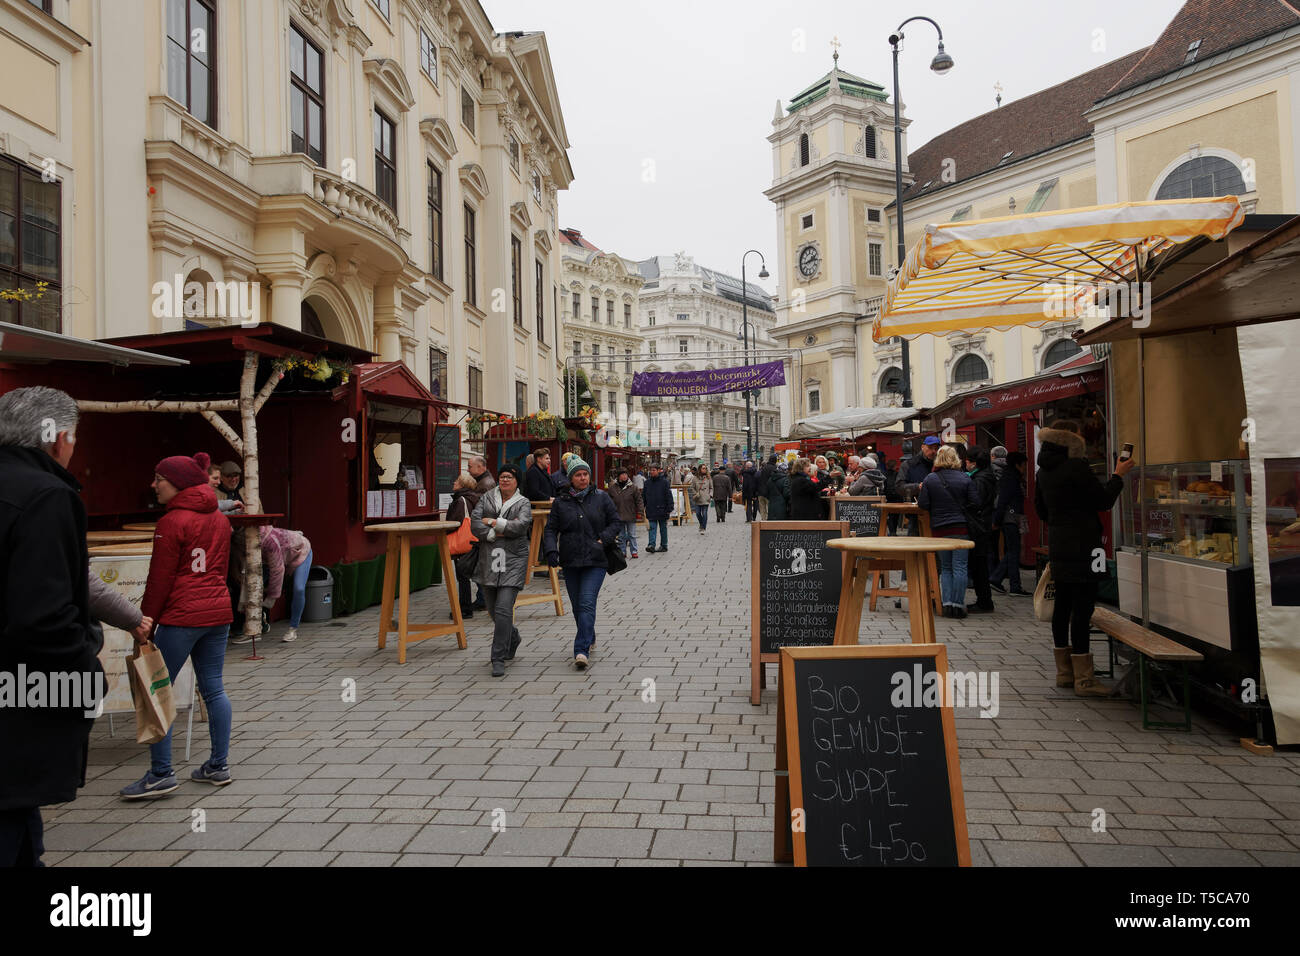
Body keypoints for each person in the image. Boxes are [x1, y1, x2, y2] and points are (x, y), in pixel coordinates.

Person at [0, 388, 103, 866]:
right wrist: (87, 664)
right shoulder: (47, 496)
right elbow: (44, 617)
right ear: (60, 438)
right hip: (20, 707)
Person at [120, 451, 234, 799]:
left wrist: (145, 623)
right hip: (218, 612)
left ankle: (161, 773)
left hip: (181, 616)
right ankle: (218, 765)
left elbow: (159, 580)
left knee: (157, 689)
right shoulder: (219, 518)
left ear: (179, 484)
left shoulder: (171, 523)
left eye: (160, 480)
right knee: (213, 687)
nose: (153, 485)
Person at [1035, 427, 1134, 696]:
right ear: (1072, 447)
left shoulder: (1042, 472)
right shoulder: (1076, 468)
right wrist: (1118, 476)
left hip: (1059, 545)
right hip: (1086, 546)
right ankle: (1085, 680)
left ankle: (1065, 673)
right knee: (1082, 608)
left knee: (1062, 607)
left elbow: (1041, 510)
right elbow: (1103, 501)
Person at [543, 457, 621, 669]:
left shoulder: (601, 498)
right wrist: (551, 550)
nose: (583, 478)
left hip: (596, 559)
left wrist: (602, 539)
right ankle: (589, 634)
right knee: (578, 606)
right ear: (571, 478)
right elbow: (551, 529)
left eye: (585, 474)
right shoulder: (561, 502)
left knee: (586, 602)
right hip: (570, 559)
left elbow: (616, 522)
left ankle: (581, 650)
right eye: (578, 475)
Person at [470, 464, 532, 677]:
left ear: (517, 481)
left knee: (504, 608)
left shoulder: (523, 503)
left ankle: (497, 657)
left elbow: (521, 526)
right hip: (489, 559)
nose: (505, 480)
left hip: (514, 559)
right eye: (502, 476)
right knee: (493, 610)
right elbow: (475, 524)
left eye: (509, 477)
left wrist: (494, 522)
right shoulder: (487, 497)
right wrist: (495, 532)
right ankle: (512, 637)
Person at [918, 446, 978, 619]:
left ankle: (946, 604)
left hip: (939, 528)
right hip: (960, 527)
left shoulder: (930, 478)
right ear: (956, 459)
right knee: (960, 566)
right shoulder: (965, 478)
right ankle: (958, 606)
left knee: (945, 567)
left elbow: (923, 504)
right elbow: (976, 502)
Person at [258, 524, 312, 642]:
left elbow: (278, 570)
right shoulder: (242, 538)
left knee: (299, 588)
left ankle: (293, 628)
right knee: (255, 585)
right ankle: (259, 624)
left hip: (300, 551)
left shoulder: (269, 540)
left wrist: (272, 597)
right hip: (277, 557)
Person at [963, 446, 998, 615]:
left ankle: (984, 601)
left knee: (979, 565)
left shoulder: (980, 480)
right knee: (979, 564)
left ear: (974, 463)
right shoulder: (985, 476)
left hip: (978, 526)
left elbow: (975, 502)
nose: (965, 464)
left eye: (968, 461)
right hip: (982, 524)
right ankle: (984, 600)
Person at [991, 452, 1030, 596]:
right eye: (1024, 464)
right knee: (1013, 551)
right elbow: (1003, 500)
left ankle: (1004, 581)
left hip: (1011, 518)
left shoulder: (1012, 477)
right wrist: (997, 520)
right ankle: (1008, 583)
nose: (1025, 468)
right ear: (1017, 464)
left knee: (1013, 551)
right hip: (1010, 518)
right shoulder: (1010, 478)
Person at [444, 473, 481, 619]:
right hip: (474, 540)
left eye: (457, 481)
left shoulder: (460, 501)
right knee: (472, 573)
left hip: (463, 542)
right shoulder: (474, 498)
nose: (454, 482)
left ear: (462, 485)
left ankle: (465, 609)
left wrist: (445, 529)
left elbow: (454, 522)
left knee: (462, 576)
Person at [466, 455, 496, 610]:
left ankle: (483, 599)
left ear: (481, 467)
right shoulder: (483, 482)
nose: (467, 469)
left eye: (470, 466)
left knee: (481, 564)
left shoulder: (485, 484)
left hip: (485, 530)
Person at [608, 467, 643, 558]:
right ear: (618, 476)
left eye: (626, 474)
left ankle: (634, 551)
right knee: (621, 536)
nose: (624, 476)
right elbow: (608, 502)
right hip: (618, 515)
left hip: (630, 514)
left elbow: (639, 500)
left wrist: (640, 512)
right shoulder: (612, 488)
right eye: (622, 474)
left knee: (632, 534)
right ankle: (622, 552)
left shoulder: (633, 487)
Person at [642, 462, 673, 552]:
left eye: (653, 470)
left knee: (663, 528)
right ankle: (651, 545)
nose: (651, 472)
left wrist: (670, 507)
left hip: (662, 508)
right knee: (652, 527)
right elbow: (644, 496)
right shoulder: (647, 483)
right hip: (651, 508)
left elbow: (668, 495)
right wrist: (642, 507)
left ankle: (664, 545)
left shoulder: (664, 482)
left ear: (659, 471)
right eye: (650, 470)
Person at [686, 464, 712, 532]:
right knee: (697, 513)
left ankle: (703, 528)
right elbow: (692, 487)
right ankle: (701, 524)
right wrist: (695, 493)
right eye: (703, 468)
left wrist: (710, 495)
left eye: (705, 468)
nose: (704, 470)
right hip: (698, 498)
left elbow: (711, 488)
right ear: (700, 469)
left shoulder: (708, 477)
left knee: (704, 513)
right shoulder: (695, 478)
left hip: (706, 498)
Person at [756, 455, 777, 520]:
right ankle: (768, 522)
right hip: (769, 492)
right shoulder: (774, 468)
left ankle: (763, 520)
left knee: (762, 508)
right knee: (769, 508)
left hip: (761, 491)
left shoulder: (764, 468)